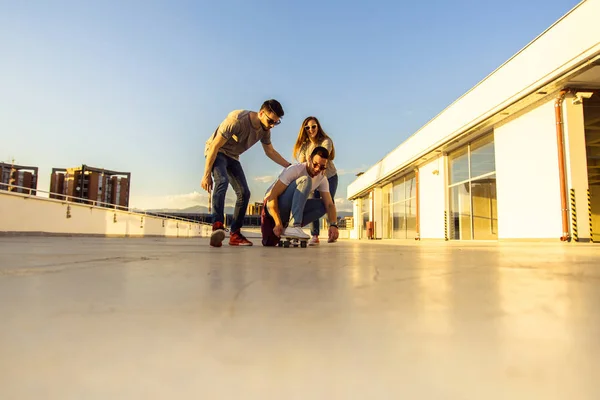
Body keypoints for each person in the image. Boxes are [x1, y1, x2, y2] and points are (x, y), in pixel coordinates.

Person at [201, 99, 292, 247]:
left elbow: (270, 151)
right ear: (261, 113)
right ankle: (217, 226)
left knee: (244, 193)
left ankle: (235, 234)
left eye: (276, 123)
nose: (272, 126)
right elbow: (215, 145)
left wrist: (289, 166)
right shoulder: (237, 120)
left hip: (233, 157)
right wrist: (206, 175)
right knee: (222, 180)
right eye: (270, 121)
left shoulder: (265, 130)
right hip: (217, 152)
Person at [260, 146, 339, 246]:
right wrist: (277, 222)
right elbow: (272, 196)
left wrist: (333, 225)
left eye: (322, 167)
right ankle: (293, 227)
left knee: (324, 205)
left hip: (288, 214)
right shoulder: (294, 169)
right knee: (306, 180)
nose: (317, 169)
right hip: (273, 208)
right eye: (315, 164)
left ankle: (290, 227)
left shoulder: (322, 179)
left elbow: (330, 205)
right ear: (309, 159)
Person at [292, 116, 338, 245]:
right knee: (312, 201)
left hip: (329, 176)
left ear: (318, 127)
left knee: (328, 202)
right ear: (304, 130)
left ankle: (332, 230)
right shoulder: (304, 146)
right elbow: (301, 162)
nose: (311, 129)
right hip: (312, 177)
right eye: (307, 127)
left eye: (313, 126)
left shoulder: (326, 141)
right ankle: (315, 235)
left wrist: (314, 163)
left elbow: (324, 155)